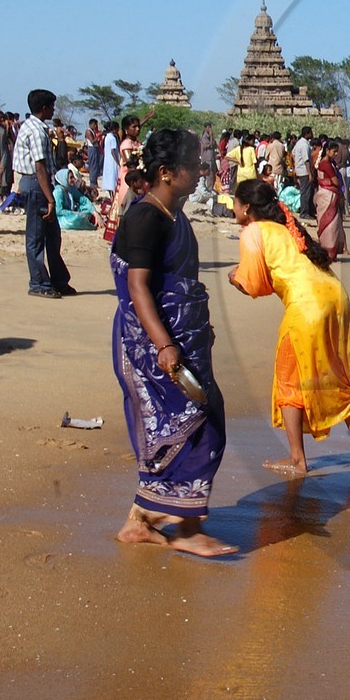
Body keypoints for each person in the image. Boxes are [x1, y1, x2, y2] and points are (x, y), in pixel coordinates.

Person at [109, 129, 233, 556]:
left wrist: (198, 329)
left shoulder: (173, 213)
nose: (202, 172)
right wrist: (165, 346)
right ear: (167, 172)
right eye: (193, 165)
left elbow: (181, 280)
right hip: (153, 344)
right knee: (194, 426)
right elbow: (138, 287)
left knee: (193, 422)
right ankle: (184, 528)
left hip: (184, 337)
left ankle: (140, 522)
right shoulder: (145, 218)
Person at [228, 178, 350, 480]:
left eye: (235, 203)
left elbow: (254, 284)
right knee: (338, 374)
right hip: (335, 295)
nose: (232, 208)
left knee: (289, 381)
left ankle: (297, 460)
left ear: (247, 208)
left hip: (307, 306)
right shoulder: (286, 225)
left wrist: (234, 278)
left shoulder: (253, 231)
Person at [13, 89, 72, 298]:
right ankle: (38, 282)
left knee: (53, 235)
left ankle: (58, 280)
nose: (54, 110)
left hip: (40, 183)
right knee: (37, 236)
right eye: (52, 106)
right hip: (37, 184)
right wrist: (50, 199)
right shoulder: (37, 131)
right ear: (45, 108)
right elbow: (40, 167)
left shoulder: (34, 126)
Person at [100, 116, 142, 244]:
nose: (137, 129)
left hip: (137, 178)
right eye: (134, 127)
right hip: (129, 180)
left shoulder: (137, 143)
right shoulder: (126, 144)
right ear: (126, 129)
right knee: (127, 207)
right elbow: (130, 164)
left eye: (138, 126)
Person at [314, 137, 347, 260]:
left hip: (324, 194)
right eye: (334, 151)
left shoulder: (325, 163)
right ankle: (329, 251)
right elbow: (335, 181)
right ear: (327, 151)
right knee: (330, 225)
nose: (336, 154)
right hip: (328, 195)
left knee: (328, 223)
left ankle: (329, 251)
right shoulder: (326, 164)